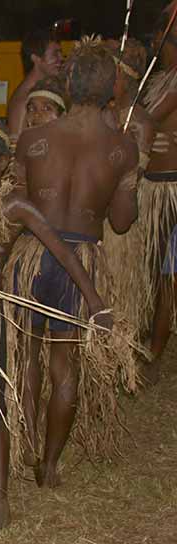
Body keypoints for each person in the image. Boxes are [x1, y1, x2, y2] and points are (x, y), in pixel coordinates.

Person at [0, 117, 111, 536]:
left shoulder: (15, 206)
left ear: (4, 164)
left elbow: (64, 253)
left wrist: (96, 303)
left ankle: (0, 500)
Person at [6, 37, 140, 487]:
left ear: (69, 82)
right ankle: (48, 464)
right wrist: (128, 184)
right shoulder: (122, 147)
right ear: (111, 90)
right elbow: (122, 222)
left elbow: (18, 207)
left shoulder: (34, 138)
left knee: (26, 353)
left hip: (31, 257)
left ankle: (24, 444)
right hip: (80, 257)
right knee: (65, 364)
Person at [103, 38, 158, 352]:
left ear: (129, 79)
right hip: (96, 222)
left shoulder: (139, 122)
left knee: (118, 298)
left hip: (119, 226)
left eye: (114, 74)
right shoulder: (105, 114)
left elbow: (129, 180)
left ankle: (117, 353)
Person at [142, 15, 177, 367]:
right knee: (155, 268)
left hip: (170, 189)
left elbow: (144, 121)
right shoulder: (160, 78)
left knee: (167, 270)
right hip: (154, 187)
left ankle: (156, 346)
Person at [8, 29, 63, 138]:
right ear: (36, 58)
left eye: (61, 53)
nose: (61, 58)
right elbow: (15, 149)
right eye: (55, 54)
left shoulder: (46, 91)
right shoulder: (23, 101)